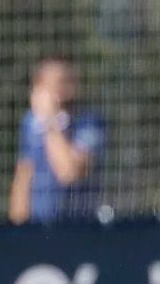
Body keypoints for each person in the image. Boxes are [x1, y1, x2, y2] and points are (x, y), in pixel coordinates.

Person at [8, 57, 105, 225]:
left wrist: (50, 120)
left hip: (77, 226)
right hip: (36, 227)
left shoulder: (90, 123)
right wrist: (17, 228)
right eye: (50, 84)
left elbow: (69, 173)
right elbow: (23, 174)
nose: (60, 88)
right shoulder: (30, 123)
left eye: (64, 81)